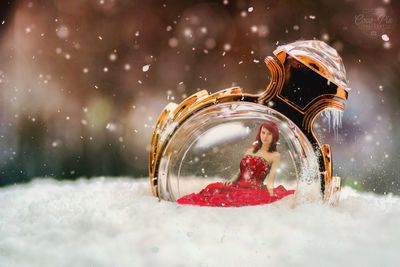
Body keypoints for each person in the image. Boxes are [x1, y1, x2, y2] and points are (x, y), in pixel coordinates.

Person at [177, 121, 295, 207]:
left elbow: (271, 179)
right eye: (263, 133)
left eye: (269, 134)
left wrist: (271, 193)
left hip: (254, 188)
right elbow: (241, 171)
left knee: (238, 199)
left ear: (274, 136)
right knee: (212, 188)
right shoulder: (250, 151)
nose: (265, 136)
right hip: (238, 184)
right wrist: (232, 180)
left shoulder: (274, 156)